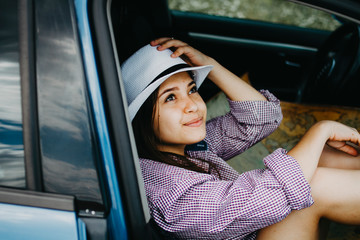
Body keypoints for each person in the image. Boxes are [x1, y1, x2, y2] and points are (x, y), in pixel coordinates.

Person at [121, 37, 360, 239]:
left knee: (322, 156)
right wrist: (322, 129)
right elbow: (273, 196)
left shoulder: (188, 148)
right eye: (170, 98)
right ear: (141, 119)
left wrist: (211, 66)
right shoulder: (165, 190)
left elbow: (259, 118)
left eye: (192, 89)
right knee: (311, 186)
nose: (192, 105)